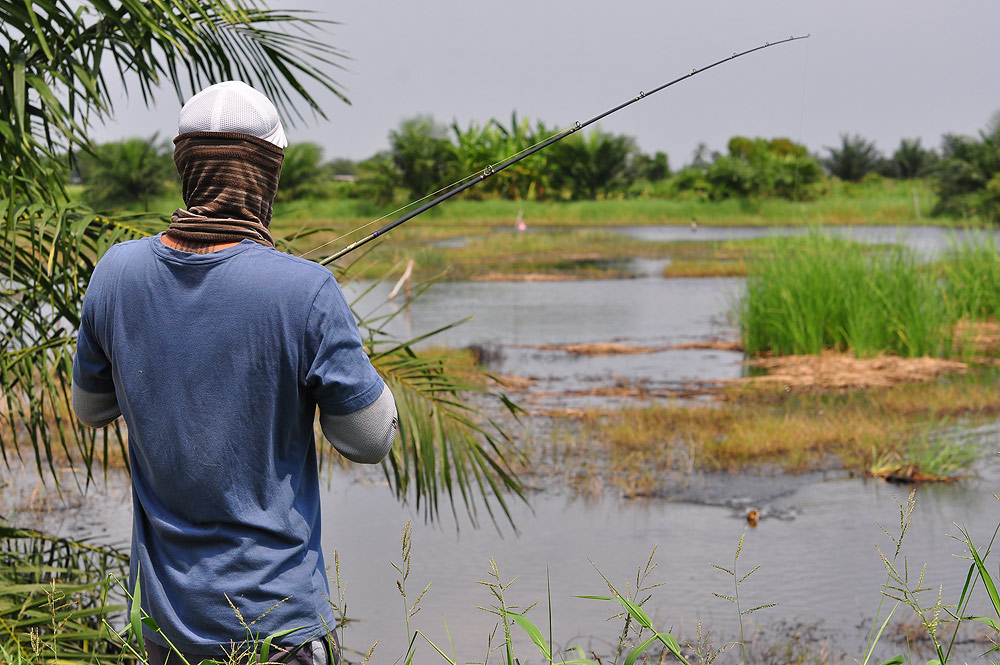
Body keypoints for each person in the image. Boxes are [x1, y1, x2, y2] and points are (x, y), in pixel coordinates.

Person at [71, 81, 397, 665]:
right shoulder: (306, 291)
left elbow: (91, 409)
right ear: (266, 174)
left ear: (185, 166)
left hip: (164, 631)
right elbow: (370, 441)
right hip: (277, 629)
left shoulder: (114, 273)